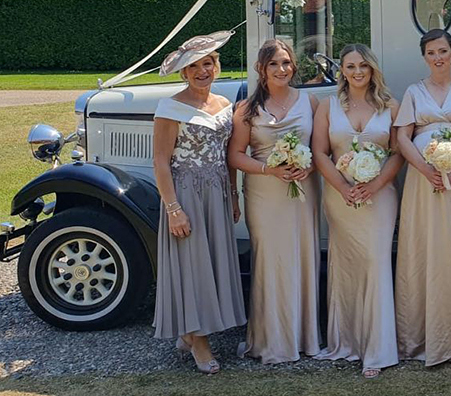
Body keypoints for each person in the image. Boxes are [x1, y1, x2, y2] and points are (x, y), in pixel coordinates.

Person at [151, 31, 245, 374]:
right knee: (191, 265)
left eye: (208, 63)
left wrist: (233, 196)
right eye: (193, 66)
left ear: (216, 66)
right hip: (186, 193)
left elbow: (227, 156)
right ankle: (197, 340)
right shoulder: (170, 107)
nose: (202, 70)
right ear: (184, 72)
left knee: (212, 264)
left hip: (217, 192)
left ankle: (190, 332)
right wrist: (173, 209)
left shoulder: (224, 105)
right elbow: (161, 161)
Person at [394, 29, 451, 366]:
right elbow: (403, 136)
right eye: (431, 52)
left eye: (443, 51)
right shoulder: (414, 92)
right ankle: (419, 336)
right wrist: (423, 168)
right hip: (424, 181)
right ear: (425, 57)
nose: (438, 57)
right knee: (424, 247)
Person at [228, 39, 321, 364]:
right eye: (273, 64)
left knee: (301, 256)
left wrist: (307, 165)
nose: (281, 69)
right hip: (264, 194)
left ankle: (304, 338)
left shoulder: (309, 103)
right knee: (270, 262)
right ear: (261, 69)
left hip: (302, 192)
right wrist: (270, 168)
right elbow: (235, 156)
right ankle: (271, 340)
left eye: (285, 63)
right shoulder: (247, 110)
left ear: (293, 66)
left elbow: (321, 149)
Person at [312, 44, 403, 378]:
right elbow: (320, 152)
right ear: (342, 71)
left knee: (375, 262)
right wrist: (343, 187)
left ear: (373, 69)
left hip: (380, 197)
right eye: (350, 67)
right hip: (341, 197)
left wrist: (374, 185)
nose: (357, 72)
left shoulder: (390, 106)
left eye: (363, 66)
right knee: (346, 265)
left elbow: (397, 153)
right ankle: (347, 342)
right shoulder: (327, 106)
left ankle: (377, 351)